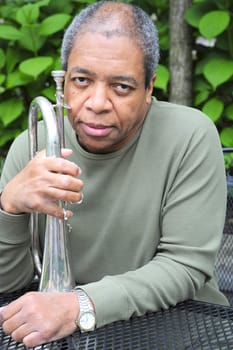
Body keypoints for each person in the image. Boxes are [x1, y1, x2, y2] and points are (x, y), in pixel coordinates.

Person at [0, 0, 228, 347]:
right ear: (63, 82)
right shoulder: (31, 147)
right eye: (81, 80)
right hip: (73, 336)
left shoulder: (190, 136)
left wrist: (78, 306)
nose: (97, 102)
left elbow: (185, 267)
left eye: (121, 87)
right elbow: (8, 283)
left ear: (150, 88)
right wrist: (9, 209)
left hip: (183, 331)